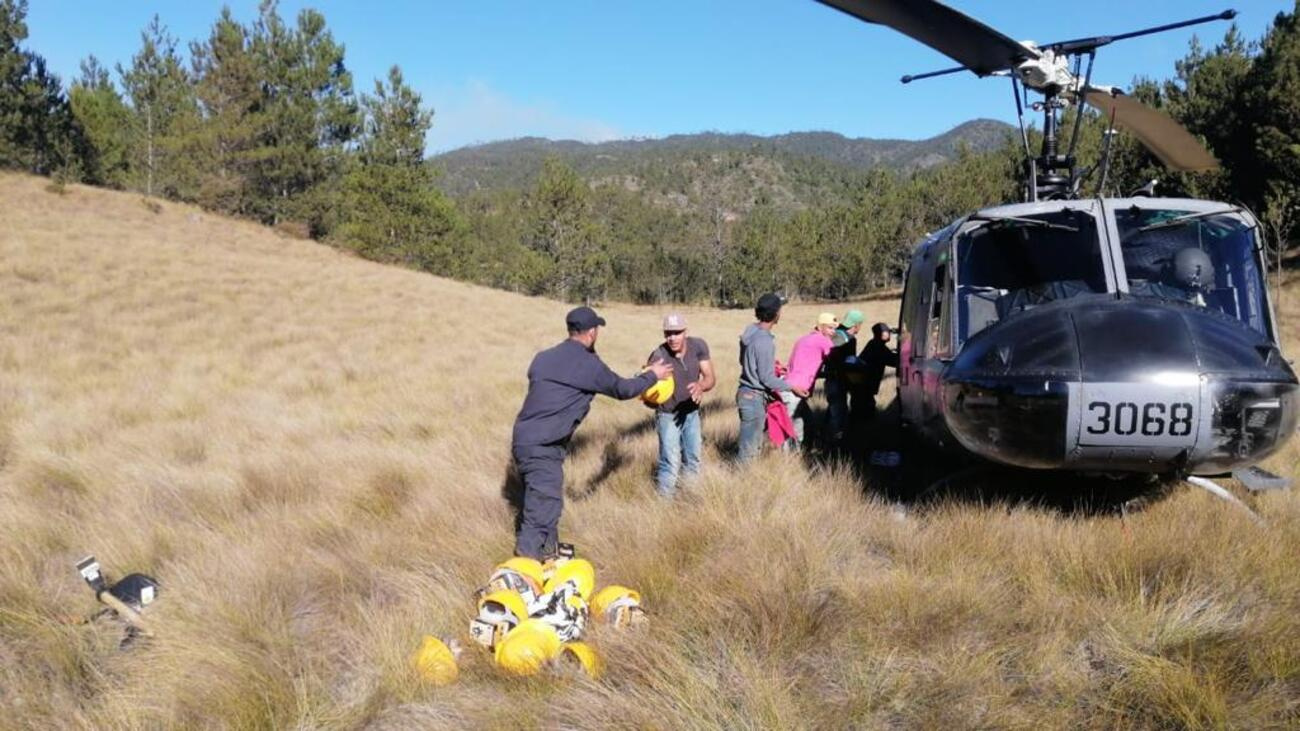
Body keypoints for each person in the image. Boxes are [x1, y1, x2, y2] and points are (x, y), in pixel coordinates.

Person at [511, 306, 672, 559]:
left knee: (545, 501)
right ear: (593, 332)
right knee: (542, 508)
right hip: (543, 446)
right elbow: (621, 389)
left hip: (525, 439)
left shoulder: (543, 357)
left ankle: (548, 556)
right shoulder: (587, 364)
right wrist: (653, 375)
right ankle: (524, 569)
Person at [646, 313, 716, 497]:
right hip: (667, 415)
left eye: (677, 332)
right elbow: (647, 391)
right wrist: (648, 396)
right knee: (670, 462)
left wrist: (701, 386)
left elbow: (710, 377)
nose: (672, 338)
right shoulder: (658, 356)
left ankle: (689, 498)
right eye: (668, 333)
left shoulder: (698, 346)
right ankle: (664, 507)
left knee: (693, 459)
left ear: (686, 332)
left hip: (692, 413)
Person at [737, 293, 806, 462]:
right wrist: (792, 387)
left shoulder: (750, 331)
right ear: (776, 314)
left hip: (745, 393)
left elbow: (744, 360)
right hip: (753, 397)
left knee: (751, 444)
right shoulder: (764, 341)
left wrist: (770, 364)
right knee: (750, 450)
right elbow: (767, 379)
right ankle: (740, 480)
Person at [781, 312, 839, 448]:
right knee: (789, 429)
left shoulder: (804, 339)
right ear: (820, 327)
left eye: (834, 328)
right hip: (796, 391)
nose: (833, 331)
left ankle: (796, 456)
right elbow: (835, 360)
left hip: (790, 388)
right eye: (830, 328)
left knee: (806, 424)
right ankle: (783, 459)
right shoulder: (823, 341)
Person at [822, 309, 864, 444]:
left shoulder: (835, 333)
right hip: (838, 380)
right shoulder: (848, 339)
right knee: (839, 414)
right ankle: (835, 446)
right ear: (856, 325)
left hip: (831, 378)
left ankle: (824, 439)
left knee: (833, 410)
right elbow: (847, 362)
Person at [858, 322, 900, 419]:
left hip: (863, 384)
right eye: (888, 332)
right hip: (865, 384)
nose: (889, 334)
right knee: (866, 410)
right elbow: (894, 361)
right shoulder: (878, 347)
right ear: (883, 334)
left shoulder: (873, 344)